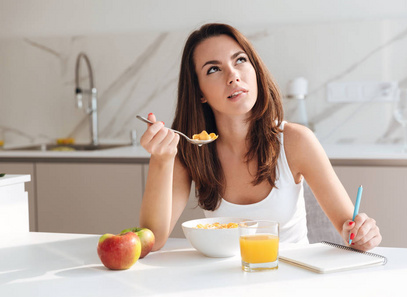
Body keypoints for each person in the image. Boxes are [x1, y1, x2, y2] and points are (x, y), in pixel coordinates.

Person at [139, 23, 382, 252]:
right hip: (224, 282)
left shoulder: (295, 141)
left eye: (240, 60)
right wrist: (161, 159)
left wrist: (362, 234)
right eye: (213, 69)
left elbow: (349, 229)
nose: (233, 76)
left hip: (293, 279)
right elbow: (154, 238)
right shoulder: (192, 150)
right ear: (199, 91)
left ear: (255, 70)